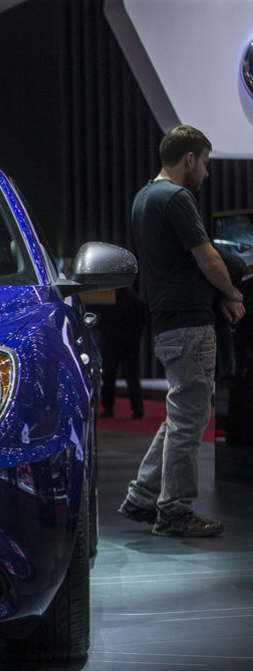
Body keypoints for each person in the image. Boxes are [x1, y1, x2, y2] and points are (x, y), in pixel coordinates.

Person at [118, 124, 245, 537]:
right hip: (190, 323)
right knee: (190, 419)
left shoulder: (144, 198)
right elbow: (207, 257)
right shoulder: (176, 197)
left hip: (167, 321)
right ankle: (175, 511)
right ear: (189, 158)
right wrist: (232, 293)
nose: (206, 173)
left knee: (181, 415)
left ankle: (142, 497)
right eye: (205, 164)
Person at [96, 285, 146, 419]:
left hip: (112, 342)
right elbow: (144, 319)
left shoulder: (108, 298)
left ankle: (108, 408)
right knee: (132, 376)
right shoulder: (134, 298)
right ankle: (137, 407)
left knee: (109, 376)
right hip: (130, 343)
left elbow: (100, 320)